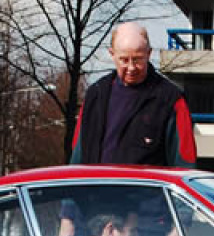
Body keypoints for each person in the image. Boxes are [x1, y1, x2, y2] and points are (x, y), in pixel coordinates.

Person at [69, 22, 197, 168]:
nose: (131, 67)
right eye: (124, 60)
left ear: (148, 54)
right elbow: (77, 158)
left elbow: (185, 164)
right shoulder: (94, 96)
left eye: (137, 59)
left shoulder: (170, 100)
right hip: (96, 188)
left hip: (147, 190)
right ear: (112, 54)